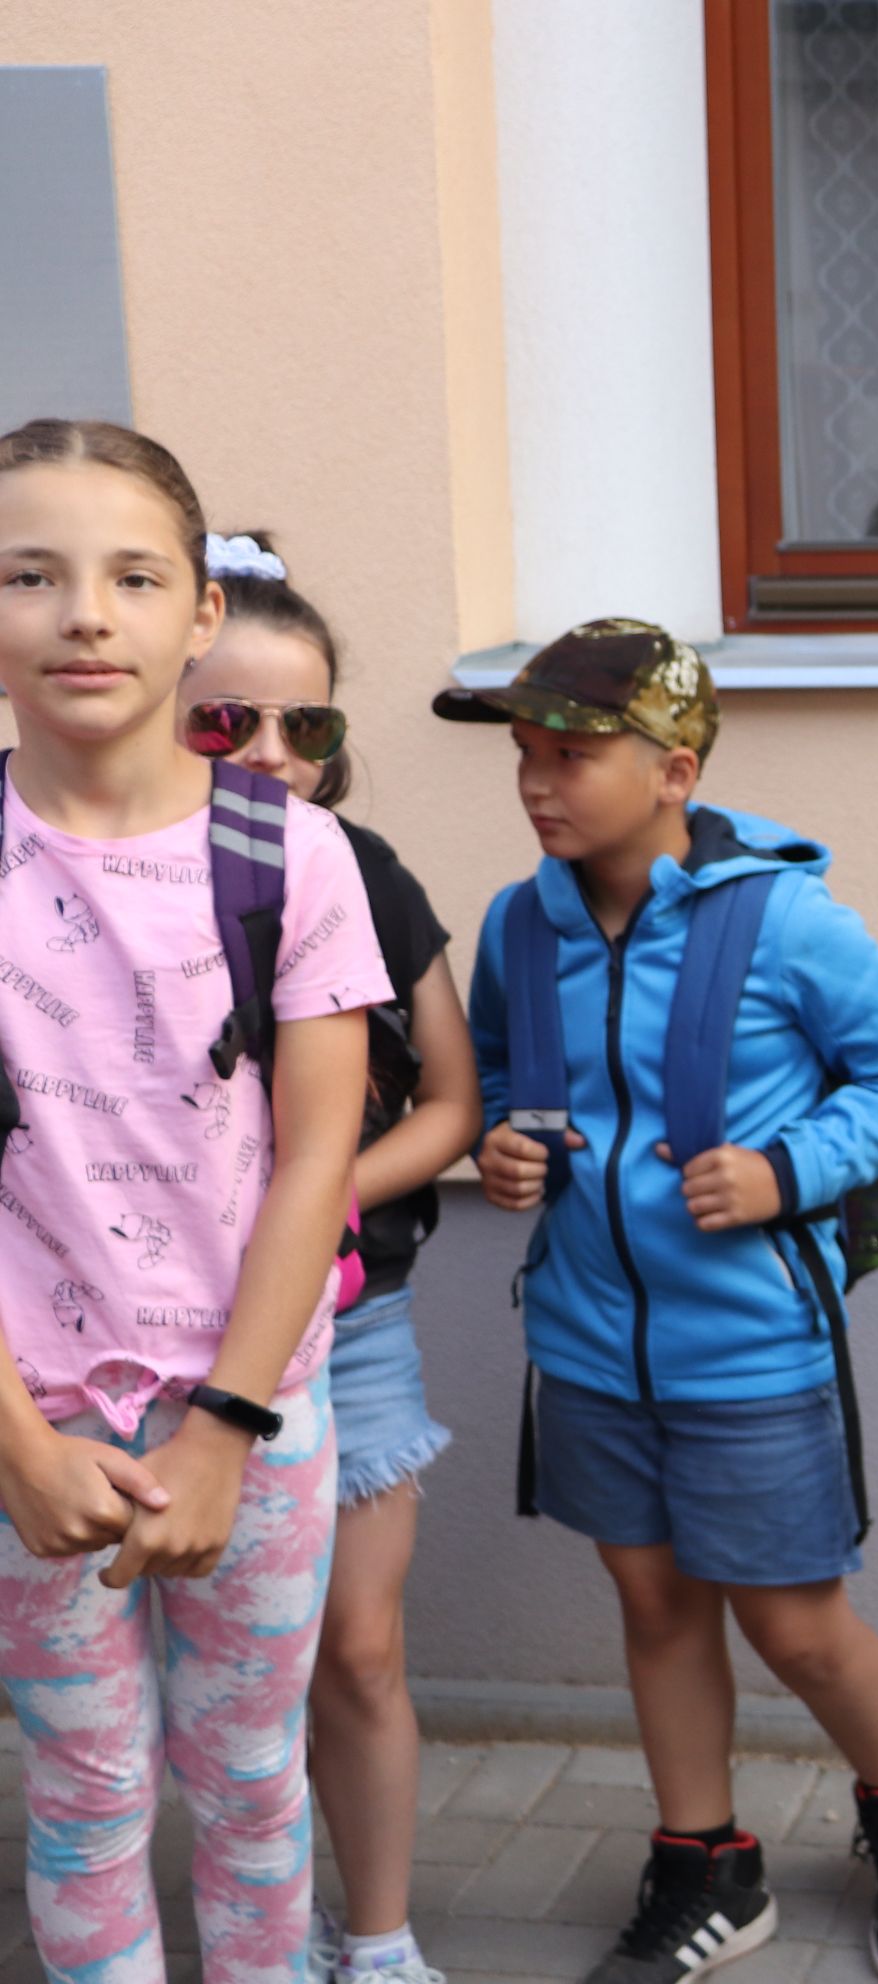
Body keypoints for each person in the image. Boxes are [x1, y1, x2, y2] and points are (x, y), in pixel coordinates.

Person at [447, 623, 878, 1984]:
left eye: (572, 755)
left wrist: (790, 1169)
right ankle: (707, 1862)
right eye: (524, 755)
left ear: (675, 771)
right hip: (585, 1338)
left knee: (794, 1623)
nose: (537, 782)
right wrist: (499, 1143)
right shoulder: (518, 923)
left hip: (750, 1344)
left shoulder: (784, 918)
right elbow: (496, 1072)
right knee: (656, 1603)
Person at [0, 420, 387, 1980]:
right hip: (31, 1425)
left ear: (200, 613)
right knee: (86, 1799)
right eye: (31, 575)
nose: (85, 615)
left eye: (134, 576)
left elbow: (314, 1160)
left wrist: (228, 1428)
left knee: (249, 1786)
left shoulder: (292, 856)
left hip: (255, 1414)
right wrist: (19, 1445)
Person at [179, 533, 481, 1984]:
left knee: (355, 1647)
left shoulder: (361, 871)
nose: (270, 754)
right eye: (226, 720)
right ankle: (268, 1925)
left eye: (306, 725)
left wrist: (311, 1202)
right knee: (231, 1668)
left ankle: (381, 1939)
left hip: (351, 1322)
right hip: (160, 1329)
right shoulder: (90, 871)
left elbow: (452, 1106)